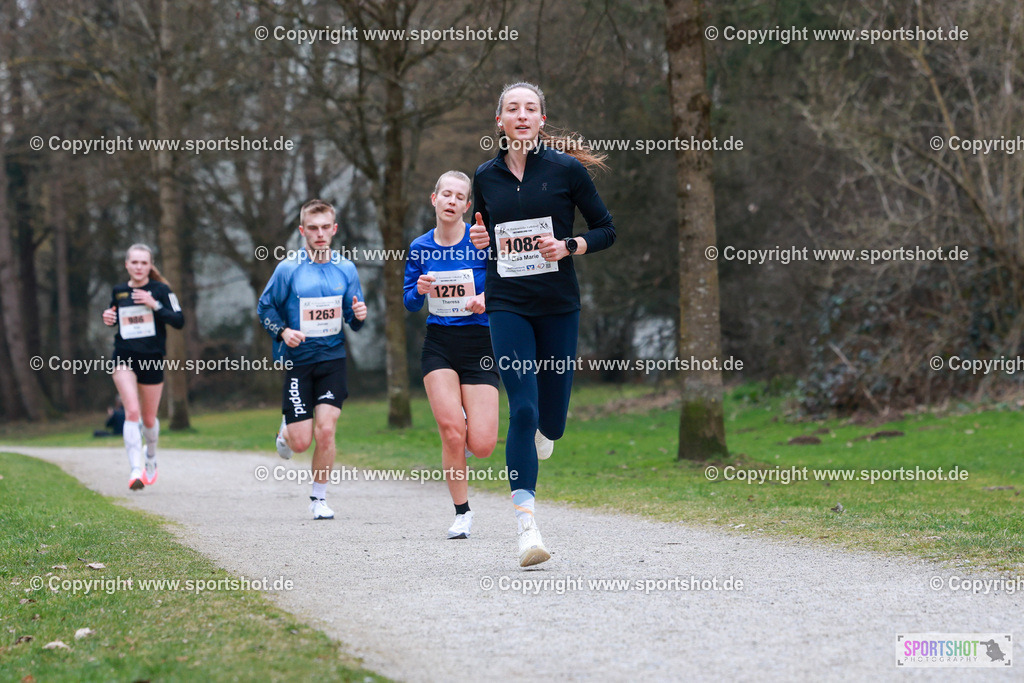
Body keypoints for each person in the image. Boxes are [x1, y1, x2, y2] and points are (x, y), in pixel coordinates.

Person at [470, 82, 616, 566]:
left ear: (541, 120)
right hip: (507, 304)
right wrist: (478, 239)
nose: (521, 115)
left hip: (557, 306)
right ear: (500, 121)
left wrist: (568, 246)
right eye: (512, 108)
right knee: (524, 410)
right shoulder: (485, 176)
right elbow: (484, 235)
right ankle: (526, 527)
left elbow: (607, 229)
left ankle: (544, 433)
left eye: (530, 108)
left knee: (551, 423)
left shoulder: (566, 170)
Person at [257, 198, 367, 520]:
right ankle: (286, 432)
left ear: (334, 229)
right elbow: (265, 308)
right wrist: (283, 332)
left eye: (325, 228)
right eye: (313, 228)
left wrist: (359, 315)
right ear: (302, 230)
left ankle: (319, 498)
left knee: (326, 430)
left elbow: (353, 319)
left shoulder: (346, 269)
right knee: (301, 443)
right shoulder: (288, 269)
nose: (320, 234)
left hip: (333, 358)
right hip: (299, 361)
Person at [404, 170, 499, 539]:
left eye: (460, 197)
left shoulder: (480, 242)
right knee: (451, 432)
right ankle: (462, 513)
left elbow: (503, 284)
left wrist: (484, 299)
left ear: (467, 205)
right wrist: (419, 289)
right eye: (446, 194)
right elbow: (410, 302)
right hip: (439, 344)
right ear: (434, 199)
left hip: (480, 344)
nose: (451, 201)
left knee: (483, 446)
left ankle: (466, 433)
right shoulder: (419, 247)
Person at [102, 244, 185, 489]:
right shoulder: (119, 291)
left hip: (152, 358)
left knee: (149, 419)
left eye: (143, 263)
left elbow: (179, 320)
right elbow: (115, 317)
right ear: (126, 264)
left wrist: (154, 304)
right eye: (134, 262)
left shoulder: (161, 290)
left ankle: (150, 457)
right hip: (124, 356)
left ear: (150, 266)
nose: (139, 267)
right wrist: (108, 318)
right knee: (132, 412)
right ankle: (135, 470)